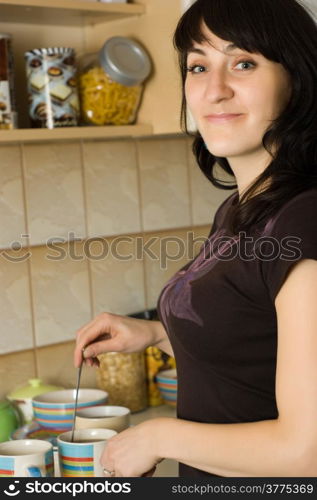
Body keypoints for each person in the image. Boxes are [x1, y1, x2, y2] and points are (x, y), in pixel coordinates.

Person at [73, 0, 317, 477]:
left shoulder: (304, 222)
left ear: (298, 79)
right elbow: (254, 346)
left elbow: (304, 452)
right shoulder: (245, 209)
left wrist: (157, 436)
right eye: (198, 66)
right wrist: (156, 333)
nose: (215, 90)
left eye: (244, 63)